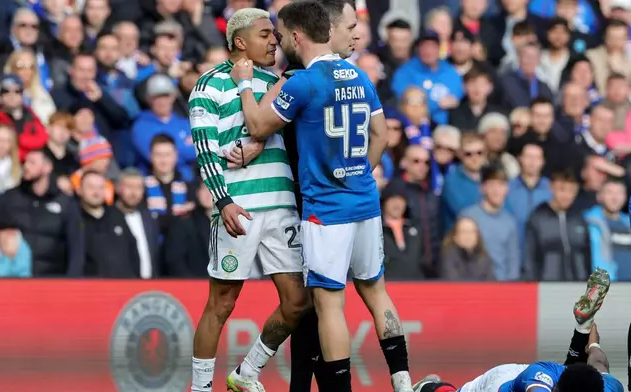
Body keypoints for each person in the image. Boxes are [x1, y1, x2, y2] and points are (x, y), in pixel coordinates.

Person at [231, 2, 413, 391]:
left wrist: (246, 84)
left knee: (330, 306)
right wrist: (358, 174)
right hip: (364, 201)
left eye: (283, 35)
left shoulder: (303, 82)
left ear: (298, 36)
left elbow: (259, 124)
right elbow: (381, 136)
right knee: (377, 292)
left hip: (325, 211)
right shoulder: (361, 75)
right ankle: (403, 381)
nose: (279, 41)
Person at [188, 8, 309, 392]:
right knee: (221, 305)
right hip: (238, 207)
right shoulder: (208, 86)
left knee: (297, 303)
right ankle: (201, 388)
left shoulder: (276, 81)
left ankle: (246, 372)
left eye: (275, 34)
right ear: (240, 41)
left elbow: (281, 134)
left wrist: (256, 142)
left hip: (282, 206)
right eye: (265, 34)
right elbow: (205, 149)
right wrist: (222, 201)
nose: (274, 40)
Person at [413, 268, 624, 392]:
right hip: (503, 383)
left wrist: (590, 337)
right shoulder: (538, 380)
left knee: (576, 366)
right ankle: (428, 387)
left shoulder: (610, 386)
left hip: (557, 378)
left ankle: (582, 326)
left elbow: (598, 360)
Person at [0, 149, 84, 276]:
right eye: (25, 162)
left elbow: (76, 246)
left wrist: (72, 281)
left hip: (52, 281)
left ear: (47, 167)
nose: (26, 167)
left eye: (32, 163)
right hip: (14, 279)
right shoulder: (9, 198)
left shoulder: (66, 204)